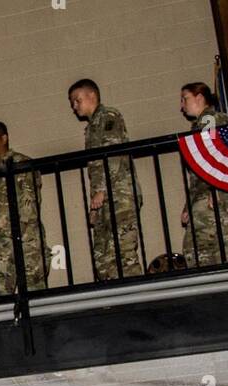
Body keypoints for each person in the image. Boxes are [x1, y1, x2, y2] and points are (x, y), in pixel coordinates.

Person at [68, 79, 142, 280]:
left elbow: (113, 155)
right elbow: (97, 169)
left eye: (77, 100)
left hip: (120, 195)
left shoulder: (108, 116)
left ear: (92, 96)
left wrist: (102, 190)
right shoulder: (92, 127)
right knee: (103, 257)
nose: (74, 107)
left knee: (124, 253)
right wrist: (95, 206)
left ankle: (136, 298)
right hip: (105, 198)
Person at [0, 121, 48, 298]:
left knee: (34, 294)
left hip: (27, 240)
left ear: (4, 138)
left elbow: (29, 203)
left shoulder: (22, 163)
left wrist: (16, 231)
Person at [179, 82, 228, 265]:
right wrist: (190, 203)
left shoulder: (210, 120)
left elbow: (216, 157)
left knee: (211, 245)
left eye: (185, 99)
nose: (182, 105)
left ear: (199, 97)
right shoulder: (202, 123)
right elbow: (199, 172)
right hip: (207, 193)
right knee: (211, 247)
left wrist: (215, 189)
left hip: (216, 194)